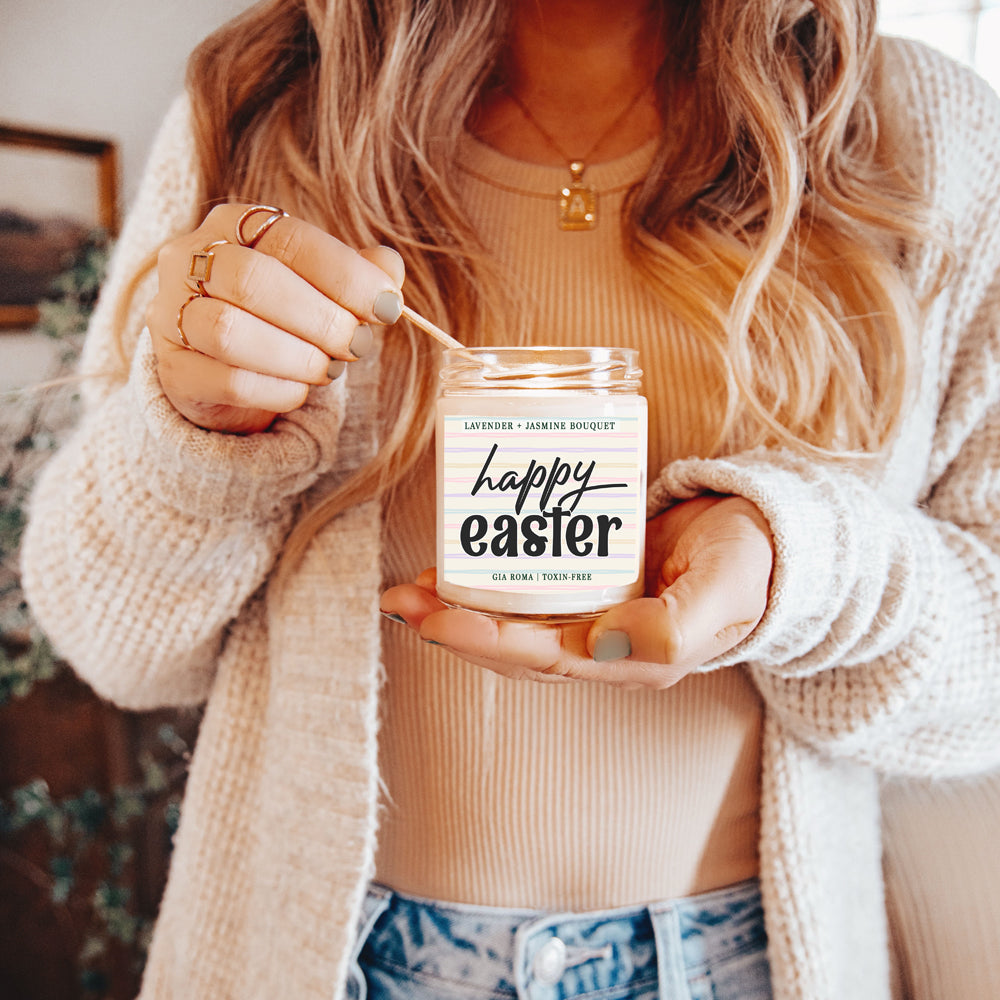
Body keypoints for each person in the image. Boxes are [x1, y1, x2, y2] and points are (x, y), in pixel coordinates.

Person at [19, 1, 1000, 998]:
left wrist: (800, 571)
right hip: (321, 956)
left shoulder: (923, 131)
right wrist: (197, 444)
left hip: (747, 960)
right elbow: (115, 644)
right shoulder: (265, 110)